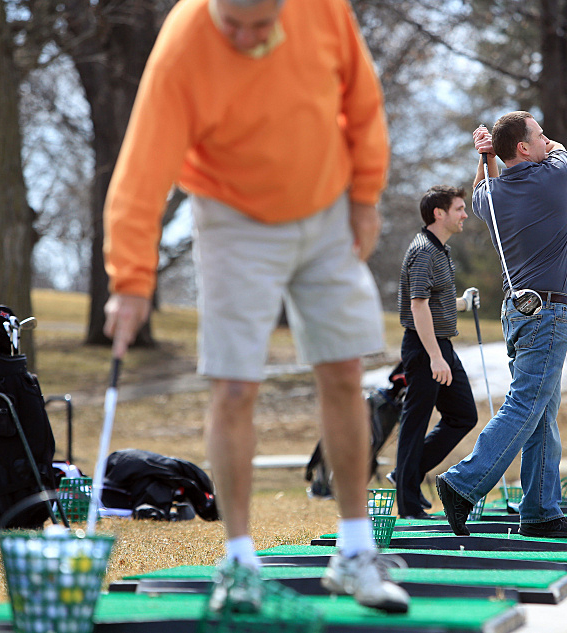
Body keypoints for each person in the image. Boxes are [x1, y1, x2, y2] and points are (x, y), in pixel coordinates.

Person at [102, 0, 409, 615]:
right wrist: (131, 279)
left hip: (325, 204)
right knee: (235, 385)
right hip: (232, 216)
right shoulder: (184, 45)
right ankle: (238, 562)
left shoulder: (323, 11)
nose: (244, 38)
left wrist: (365, 194)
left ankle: (354, 553)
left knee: (345, 371)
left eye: (259, 26)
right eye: (231, 25)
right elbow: (142, 169)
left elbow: (361, 97)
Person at [435, 112, 567, 540]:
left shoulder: (492, 197)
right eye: (537, 135)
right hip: (547, 313)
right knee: (526, 405)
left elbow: (484, 184)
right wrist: (501, 149)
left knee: (541, 413)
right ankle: (462, 483)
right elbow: (558, 151)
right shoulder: (553, 178)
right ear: (524, 148)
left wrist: (486, 154)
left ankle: (539, 511)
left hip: (519, 313)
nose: (545, 140)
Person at [393, 185, 479, 520]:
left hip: (438, 344)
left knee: (463, 415)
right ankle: (409, 506)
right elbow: (418, 306)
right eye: (459, 208)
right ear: (438, 214)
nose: (464, 214)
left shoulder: (440, 250)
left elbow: (434, 302)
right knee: (414, 422)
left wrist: (462, 304)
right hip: (424, 347)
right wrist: (435, 357)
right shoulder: (425, 251)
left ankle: (407, 473)